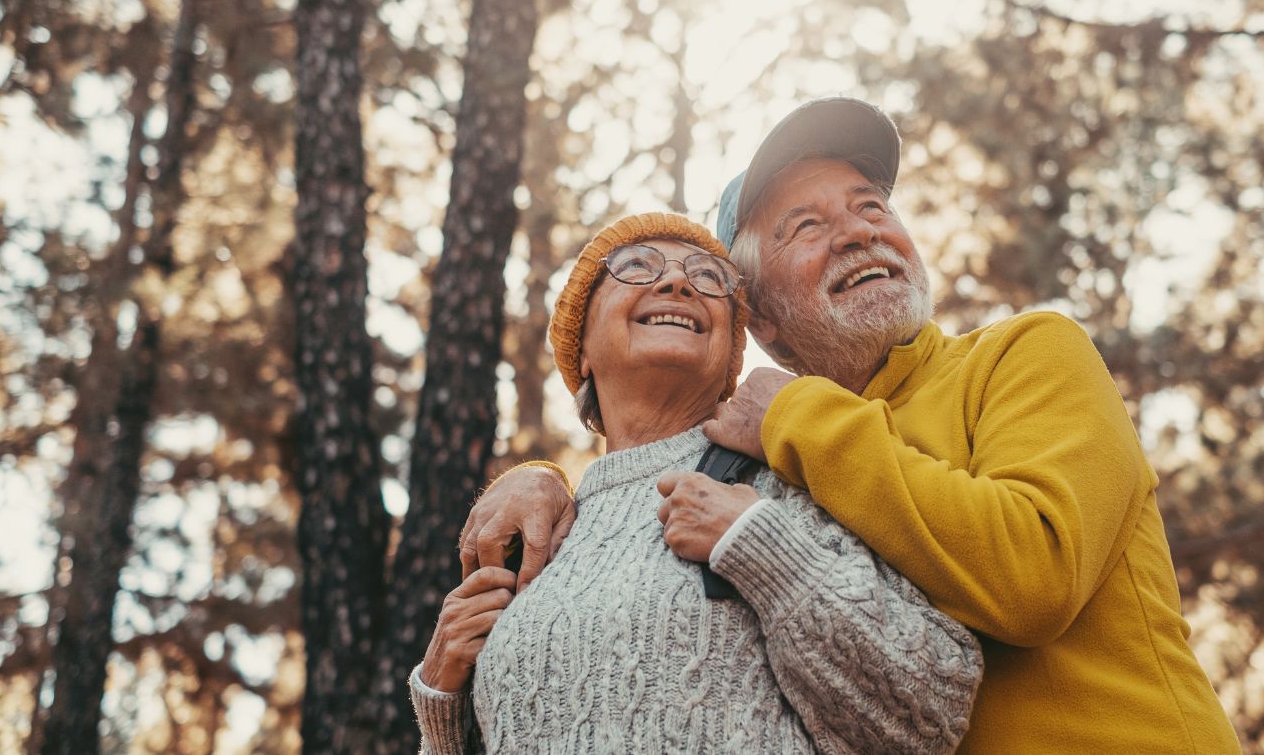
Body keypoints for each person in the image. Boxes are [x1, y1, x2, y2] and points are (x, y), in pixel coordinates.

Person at [459, 99, 1243, 753]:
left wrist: (795, 415)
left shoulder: (1025, 354)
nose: (859, 231)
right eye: (805, 226)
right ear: (759, 317)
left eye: (871, 207)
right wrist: (545, 482)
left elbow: (1034, 577)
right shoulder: (765, 463)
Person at [410, 212, 982, 754]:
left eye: (708, 279)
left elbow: (932, 713)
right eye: (636, 266)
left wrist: (763, 548)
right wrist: (440, 710)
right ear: (580, 346)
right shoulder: (532, 537)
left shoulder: (785, 481)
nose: (679, 284)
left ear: (731, 361)